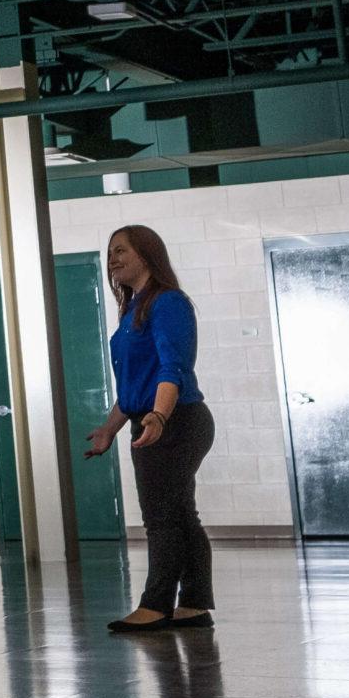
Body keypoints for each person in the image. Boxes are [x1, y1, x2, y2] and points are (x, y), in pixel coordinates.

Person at [86, 224, 215, 633]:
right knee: (180, 515)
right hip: (155, 418)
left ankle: (156, 605)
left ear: (147, 254)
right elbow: (132, 387)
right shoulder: (134, 309)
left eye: (122, 250)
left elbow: (171, 368)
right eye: (110, 253)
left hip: (177, 420)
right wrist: (110, 428)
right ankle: (193, 603)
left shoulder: (168, 303)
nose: (114, 259)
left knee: (161, 518)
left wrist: (157, 417)